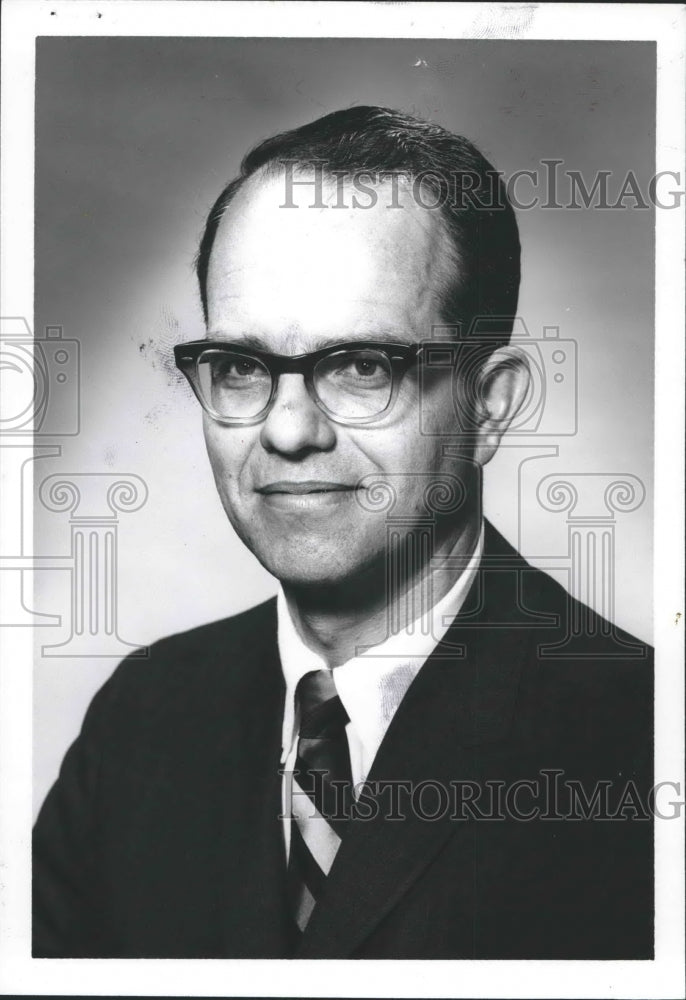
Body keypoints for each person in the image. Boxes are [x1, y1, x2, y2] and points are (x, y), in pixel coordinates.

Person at [32, 106, 653, 959]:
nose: (288, 431)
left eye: (363, 366)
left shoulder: (639, 738)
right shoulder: (141, 720)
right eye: (241, 367)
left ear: (489, 405)